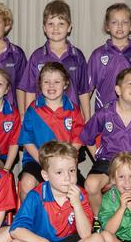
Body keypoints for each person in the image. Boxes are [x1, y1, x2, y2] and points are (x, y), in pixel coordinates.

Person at [8, 141, 105, 242]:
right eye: (59, 172)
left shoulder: (80, 194)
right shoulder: (36, 195)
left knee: (98, 240)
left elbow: (86, 234)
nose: (67, 177)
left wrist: (76, 205)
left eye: (71, 170)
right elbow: (15, 230)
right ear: (45, 175)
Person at [81, 67, 131, 218]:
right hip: (109, 161)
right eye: (130, 84)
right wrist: (98, 156)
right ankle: (99, 219)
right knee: (91, 184)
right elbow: (87, 138)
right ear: (118, 90)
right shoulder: (104, 113)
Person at [17, 62, 85, 201]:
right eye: (46, 82)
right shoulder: (33, 109)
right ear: (40, 85)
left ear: (65, 84)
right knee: (26, 184)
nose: (51, 86)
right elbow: (27, 141)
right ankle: (28, 219)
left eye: (56, 82)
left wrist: (62, 161)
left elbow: (78, 140)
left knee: (82, 192)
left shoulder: (73, 110)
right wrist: (44, 162)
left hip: (64, 162)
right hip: (37, 161)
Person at [17, 0, 91, 120]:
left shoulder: (77, 56)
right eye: (51, 24)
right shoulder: (37, 56)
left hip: (71, 118)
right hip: (43, 118)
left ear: (69, 27)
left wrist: (87, 118)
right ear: (44, 28)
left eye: (61, 24)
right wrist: (29, 117)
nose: (55, 28)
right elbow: (30, 90)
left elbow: (83, 91)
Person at [87, 3, 131, 112]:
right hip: (105, 118)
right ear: (107, 26)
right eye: (114, 22)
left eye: (125, 22)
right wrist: (86, 118)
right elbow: (87, 90)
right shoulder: (98, 55)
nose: (120, 26)